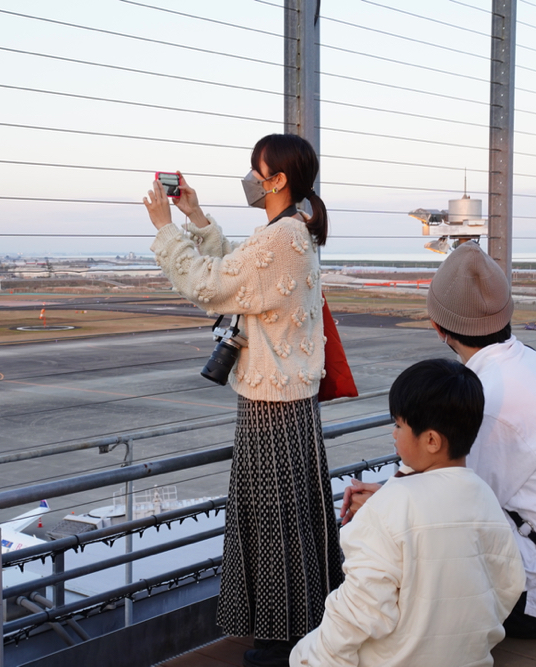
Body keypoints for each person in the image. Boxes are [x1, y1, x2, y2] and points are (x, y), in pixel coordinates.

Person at [143, 134, 343, 667]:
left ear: (277, 180)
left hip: (271, 407)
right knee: (294, 522)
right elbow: (239, 267)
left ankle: (280, 644)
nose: (251, 180)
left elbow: (209, 284)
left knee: (271, 524)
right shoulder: (290, 231)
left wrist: (166, 227)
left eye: (257, 171)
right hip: (290, 404)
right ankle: (300, 631)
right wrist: (197, 217)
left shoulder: (281, 239)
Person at [341, 242, 536, 639]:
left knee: (379, 548)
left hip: (534, 599)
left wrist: (379, 505)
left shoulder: (491, 401)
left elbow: (452, 509)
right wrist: (385, 494)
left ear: (437, 326)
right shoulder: (525, 362)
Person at [291, 358, 524, 667]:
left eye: (399, 425)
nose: (394, 434)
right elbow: (508, 585)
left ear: (431, 440)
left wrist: (311, 658)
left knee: (304, 654)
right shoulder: (484, 496)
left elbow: (359, 609)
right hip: (471, 659)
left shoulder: (392, 506)